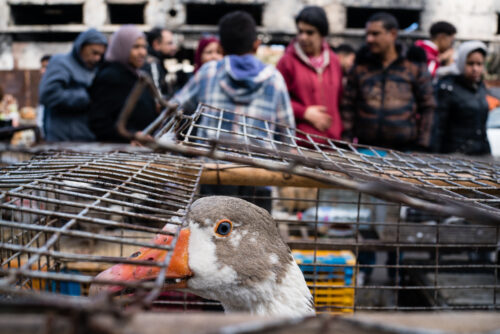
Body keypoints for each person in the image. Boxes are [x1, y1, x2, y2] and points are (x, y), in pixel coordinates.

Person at [172, 11, 295, 142]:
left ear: (221, 48)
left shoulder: (209, 72)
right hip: (256, 162)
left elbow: (174, 109)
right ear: (256, 45)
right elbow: (287, 135)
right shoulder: (274, 79)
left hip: (209, 161)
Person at [341, 12, 436, 152]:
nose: (369, 39)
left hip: (404, 152)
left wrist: (422, 145)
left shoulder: (413, 66)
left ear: (392, 34)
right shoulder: (361, 67)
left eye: (375, 34)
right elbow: (347, 105)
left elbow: (428, 106)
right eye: (367, 34)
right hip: (365, 150)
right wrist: (346, 143)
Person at [276, 6, 343, 145]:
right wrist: (304, 112)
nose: (303, 37)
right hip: (300, 144)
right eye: (300, 31)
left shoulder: (334, 61)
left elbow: (340, 100)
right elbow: (275, 99)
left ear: (322, 34)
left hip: (332, 144)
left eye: (309, 32)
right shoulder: (287, 62)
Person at [88, 25, 157, 143]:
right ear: (122, 47)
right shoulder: (110, 77)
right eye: (135, 47)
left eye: (144, 47)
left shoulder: (136, 75)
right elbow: (99, 122)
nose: (142, 52)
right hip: (119, 153)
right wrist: (130, 136)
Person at [38, 28, 107, 142]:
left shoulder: (95, 69)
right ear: (81, 47)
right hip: (62, 139)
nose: (97, 58)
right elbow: (47, 95)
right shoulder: (61, 63)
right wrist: (86, 98)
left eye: (100, 54)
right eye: (94, 53)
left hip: (87, 138)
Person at [436, 41, 491, 155]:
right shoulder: (448, 87)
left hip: (481, 153)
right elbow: (438, 126)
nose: (475, 68)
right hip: (456, 155)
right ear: (461, 62)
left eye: (479, 64)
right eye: (470, 63)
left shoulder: (480, 87)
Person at [142, 27, 178, 99]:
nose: (174, 47)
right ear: (156, 44)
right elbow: (157, 98)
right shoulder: (153, 64)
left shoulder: (155, 62)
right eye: (169, 43)